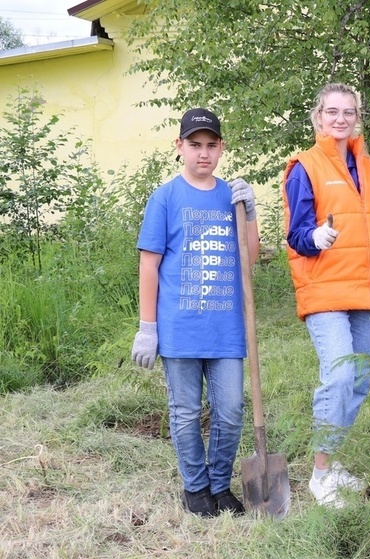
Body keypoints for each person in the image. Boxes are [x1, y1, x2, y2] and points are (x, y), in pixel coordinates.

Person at [130, 108, 260, 517]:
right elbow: (149, 264)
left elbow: (249, 259)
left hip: (225, 329)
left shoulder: (230, 198)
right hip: (180, 327)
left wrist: (251, 213)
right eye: (194, 145)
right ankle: (195, 487)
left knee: (230, 409)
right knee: (185, 410)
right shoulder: (165, 197)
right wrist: (147, 327)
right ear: (180, 147)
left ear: (221, 148)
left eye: (210, 145)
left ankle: (220, 486)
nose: (203, 153)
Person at [282, 83, 370, 507]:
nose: (340, 119)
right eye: (331, 112)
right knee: (338, 377)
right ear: (318, 117)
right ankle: (320, 474)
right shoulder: (306, 166)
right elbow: (296, 235)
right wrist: (315, 236)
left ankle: (332, 463)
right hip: (327, 289)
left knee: (360, 381)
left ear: (357, 118)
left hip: (367, 290)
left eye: (348, 112)